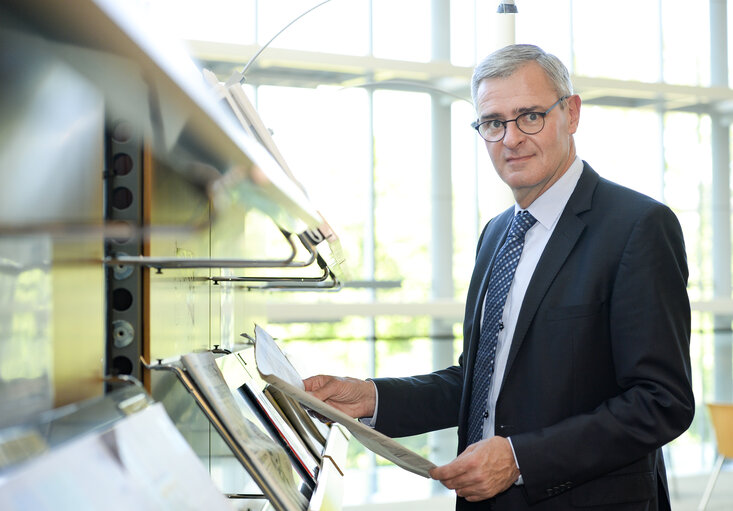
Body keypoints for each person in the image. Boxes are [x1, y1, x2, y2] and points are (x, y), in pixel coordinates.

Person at [304, 44, 694, 510]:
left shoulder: (637, 226)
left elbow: (661, 401)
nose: (511, 139)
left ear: (570, 113)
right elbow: (483, 383)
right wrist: (372, 398)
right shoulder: (496, 234)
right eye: (493, 123)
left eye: (530, 116)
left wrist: (519, 458)